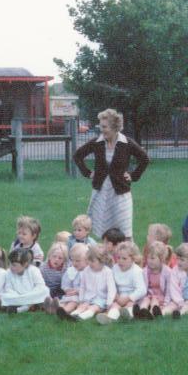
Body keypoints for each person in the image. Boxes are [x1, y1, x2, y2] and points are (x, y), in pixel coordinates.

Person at [73, 108, 150, 239]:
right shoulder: (97, 142)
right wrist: (88, 173)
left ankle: (128, 256)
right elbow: (77, 155)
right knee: (104, 232)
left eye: (104, 127)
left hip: (120, 192)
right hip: (101, 192)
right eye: (100, 126)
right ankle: (106, 257)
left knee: (125, 232)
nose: (102, 130)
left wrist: (133, 175)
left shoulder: (126, 143)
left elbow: (144, 159)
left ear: (115, 127)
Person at [97, 241, 146, 324]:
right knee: (115, 305)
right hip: (119, 297)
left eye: (124, 258)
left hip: (132, 297)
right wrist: (116, 296)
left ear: (133, 259)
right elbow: (111, 285)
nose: (120, 261)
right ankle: (110, 318)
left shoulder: (136, 271)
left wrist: (128, 298)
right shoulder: (115, 268)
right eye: (118, 258)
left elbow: (141, 290)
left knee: (130, 305)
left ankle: (128, 315)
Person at [68, 244, 116, 322]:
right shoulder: (86, 270)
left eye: (92, 261)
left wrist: (109, 302)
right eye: (88, 260)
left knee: (93, 307)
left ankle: (83, 316)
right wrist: (81, 299)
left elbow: (111, 289)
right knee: (82, 306)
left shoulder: (107, 272)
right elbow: (83, 286)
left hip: (101, 299)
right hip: (88, 297)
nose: (90, 263)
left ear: (102, 260)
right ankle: (73, 314)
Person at [0, 248, 50, 314]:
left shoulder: (34, 270)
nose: (11, 267)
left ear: (25, 264)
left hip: (31, 294)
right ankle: (30, 305)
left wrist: (28, 295)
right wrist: (17, 295)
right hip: (17, 296)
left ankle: (24, 307)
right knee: (5, 296)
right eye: (10, 264)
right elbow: (8, 288)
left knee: (45, 290)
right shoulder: (8, 272)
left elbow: (40, 285)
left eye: (14, 265)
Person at [136, 241, 176, 320]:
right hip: (148, 296)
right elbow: (143, 289)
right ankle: (141, 311)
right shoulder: (145, 271)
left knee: (155, 300)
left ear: (161, 259)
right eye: (148, 258)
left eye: (152, 258)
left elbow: (169, 291)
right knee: (145, 300)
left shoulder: (168, 272)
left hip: (161, 298)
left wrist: (165, 303)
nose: (149, 261)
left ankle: (151, 313)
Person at [57, 243, 88, 320]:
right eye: (72, 260)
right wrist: (67, 289)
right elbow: (65, 282)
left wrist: (78, 291)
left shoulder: (88, 272)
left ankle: (65, 311)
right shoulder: (71, 271)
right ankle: (58, 309)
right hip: (70, 294)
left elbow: (89, 287)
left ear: (87, 260)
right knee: (63, 301)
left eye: (78, 261)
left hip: (81, 296)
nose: (74, 263)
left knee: (73, 302)